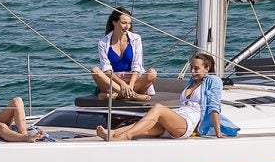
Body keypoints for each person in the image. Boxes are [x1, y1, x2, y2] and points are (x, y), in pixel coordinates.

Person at [96, 52, 239, 141]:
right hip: (178, 118)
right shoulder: (191, 82)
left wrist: (218, 133)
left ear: (207, 69)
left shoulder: (213, 80)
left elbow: (213, 107)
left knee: (158, 108)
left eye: (196, 68)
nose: (192, 71)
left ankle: (124, 137)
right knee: (143, 124)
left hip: (187, 124)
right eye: (191, 67)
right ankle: (113, 133)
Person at [91, 7, 157, 102]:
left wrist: (129, 85)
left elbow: (137, 66)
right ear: (114, 22)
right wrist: (122, 84)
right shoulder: (103, 42)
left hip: (133, 82)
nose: (127, 26)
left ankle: (115, 95)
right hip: (113, 82)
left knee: (152, 73)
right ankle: (133, 95)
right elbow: (106, 70)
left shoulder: (136, 38)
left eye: (129, 23)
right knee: (95, 70)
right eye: (124, 23)